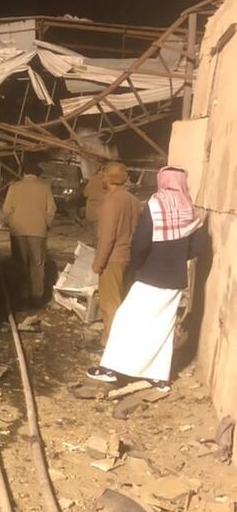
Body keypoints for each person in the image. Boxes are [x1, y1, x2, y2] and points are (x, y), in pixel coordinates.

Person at [88, 166, 206, 391]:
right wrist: (179, 255)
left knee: (124, 317)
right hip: (176, 279)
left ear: (162, 180)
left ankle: (111, 368)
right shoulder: (189, 209)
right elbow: (199, 247)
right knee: (162, 326)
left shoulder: (156, 204)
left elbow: (141, 242)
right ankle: (159, 377)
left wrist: (138, 265)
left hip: (151, 275)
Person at [91, 161, 141, 343]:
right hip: (129, 257)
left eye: (104, 175)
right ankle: (123, 342)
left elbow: (107, 237)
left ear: (109, 178)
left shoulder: (111, 201)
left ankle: (110, 345)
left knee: (110, 304)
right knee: (123, 302)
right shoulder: (133, 201)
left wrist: (99, 262)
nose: (102, 179)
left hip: (112, 259)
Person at [3, 157, 56, 306]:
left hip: (17, 231)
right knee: (37, 266)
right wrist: (46, 224)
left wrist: (10, 223)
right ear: (37, 174)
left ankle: (21, 295)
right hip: (38, 232)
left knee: (20, 264)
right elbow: (51, 210)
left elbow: (7, 209)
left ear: (24, 173)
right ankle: (37, 297)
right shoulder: (45, 187)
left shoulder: (14, 187)